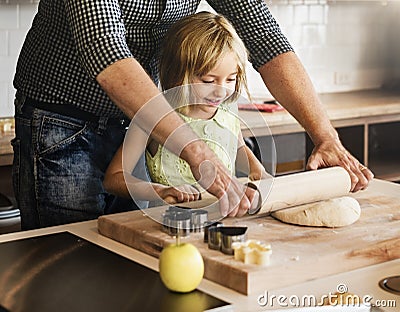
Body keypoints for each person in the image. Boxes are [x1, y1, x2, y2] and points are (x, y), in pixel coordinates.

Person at [13, 1, 373, 230]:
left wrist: (326, 136)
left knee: (129, 258)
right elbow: (105, 49)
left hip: (146, 118)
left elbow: (267, 39)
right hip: (63, 123)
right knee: (74, 262)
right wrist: (198, 152)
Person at [103, 12, 270, 211]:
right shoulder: (154, 117)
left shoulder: (228, 110)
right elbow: (113, 179)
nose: (221, 90)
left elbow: (239, 148)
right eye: (208, 81)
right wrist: (160, 191)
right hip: (170, 223)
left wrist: (261, 174)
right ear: (177, 74)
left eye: (231, 79)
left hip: (221, 218)